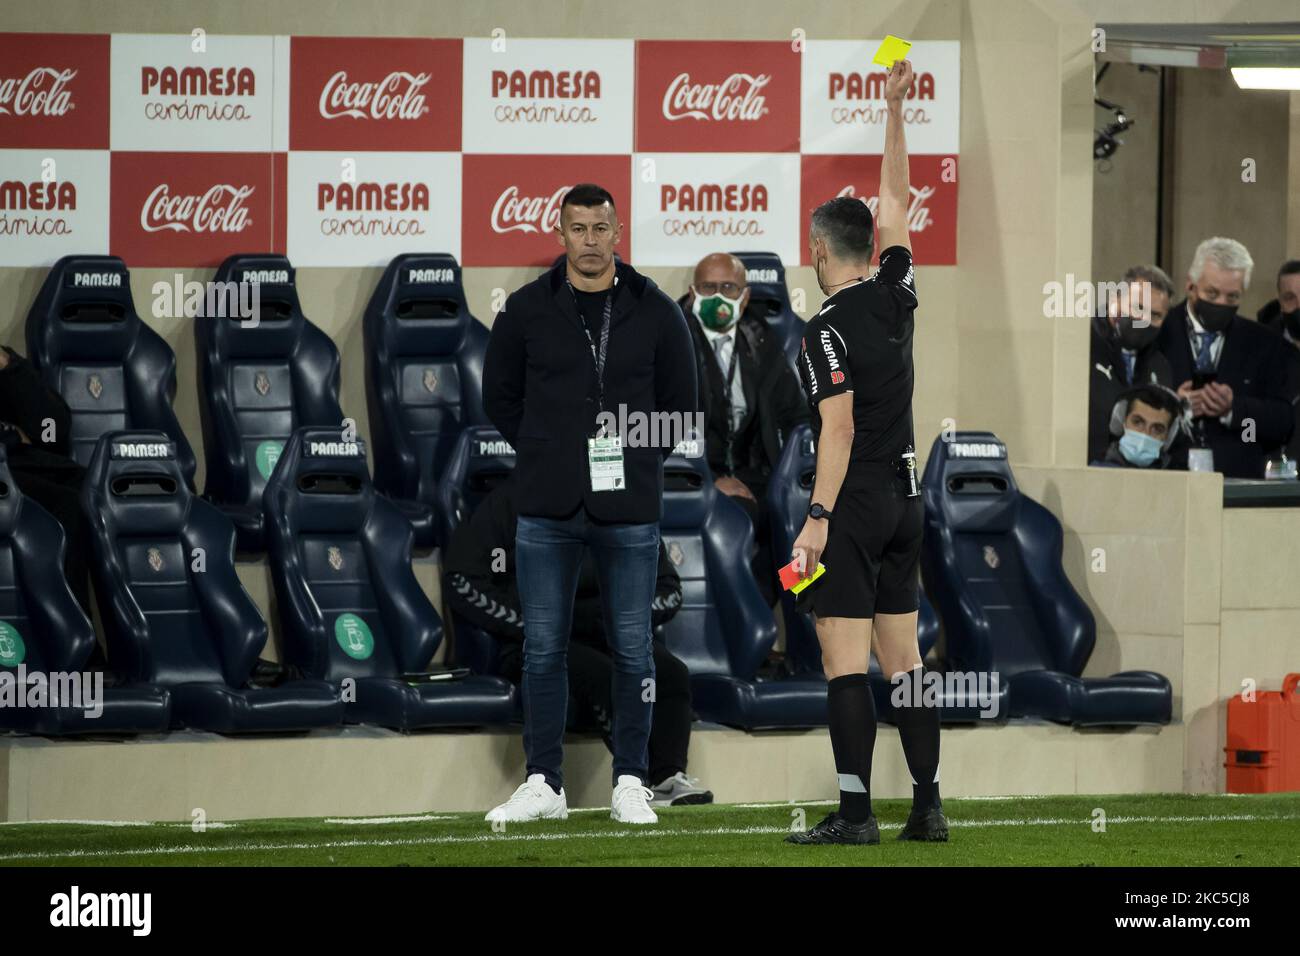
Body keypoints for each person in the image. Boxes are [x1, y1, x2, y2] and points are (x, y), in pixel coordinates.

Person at [480, 183, 697, 825]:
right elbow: (500, 398)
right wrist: (549, 452)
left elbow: (681, 411)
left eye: (602, 228)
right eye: (579, 229)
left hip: (628, 508)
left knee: (634, 648)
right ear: (561, 234)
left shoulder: (657, 310)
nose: (591, 241)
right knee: (541, 648)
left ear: (618, 231)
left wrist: (633, 460)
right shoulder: (524, 310)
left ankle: (631, 779)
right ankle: (544, 781)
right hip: (546, 506)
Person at [784, 59, 946, 847]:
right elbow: (898, 203)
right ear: (869, 248)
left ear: (818, 248)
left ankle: (854, 815)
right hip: (909, 501)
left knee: (843, 663)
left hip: (853, 507)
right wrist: (893, 109)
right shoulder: (897, 292)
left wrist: (816, 518)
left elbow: (836, 431)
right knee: (906, 662)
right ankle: (928, 808)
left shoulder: (821, 330)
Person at [442, 475, 712, 807]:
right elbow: (462, 579)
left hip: (609, 633)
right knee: (600, 675)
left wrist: (620, 619)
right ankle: (634, 779)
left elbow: (668, 590)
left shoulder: (621, 503)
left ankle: (667, 778)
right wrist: (530, 624)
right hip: (536, 640)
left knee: (670, 672)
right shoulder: (513, 500)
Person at [676, 252, 809, 603]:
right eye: (708, 287)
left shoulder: (759, 337)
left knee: (806, 525)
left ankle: (798, 612)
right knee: (746, 518)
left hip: (756, 473)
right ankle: (751, 618)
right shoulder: (671, 337)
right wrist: (709, 476)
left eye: (728, 288)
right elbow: (658, 424)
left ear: (745, 296)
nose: (718, 297)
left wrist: (803, 473)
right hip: (696, 475)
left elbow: (796, 414)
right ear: (692, 293)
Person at [1155, 237, 1292, 477]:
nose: (1221, 303)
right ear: (1190, 286)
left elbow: (1280, 425)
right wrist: (1176, 407)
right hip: (1168, 480)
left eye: (1232, 297)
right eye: (1212, 293)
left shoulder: (1264, 343)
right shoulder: (1157, 334)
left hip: (1238, 484)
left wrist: (1234, 410)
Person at [0, 345, 95, 628]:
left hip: (21, 464)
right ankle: (75, 641)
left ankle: (132, 640)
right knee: (66, 505)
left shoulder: (7, 367)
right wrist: (11, 434)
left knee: (95, 490)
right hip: (8, 469)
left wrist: (8, 366)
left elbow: (52, 430)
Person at [1087, 265, 1174, 464]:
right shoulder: (1082, 348)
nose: (1145, 320)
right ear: (1115, 299)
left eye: (1156, 315)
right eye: (1138, 308)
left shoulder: (1160, 367)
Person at [1256, 259, 1300, 461]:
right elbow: (1249, 417)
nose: (1299, 305)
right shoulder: (1260, 349)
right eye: (1290, 297)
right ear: (1280, 302)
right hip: (1275, 467)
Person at [1092, 384, 1182, 469]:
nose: (1145, 434)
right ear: (1123, 421)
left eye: (1157, 429)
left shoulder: (1179, 481)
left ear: (1168, 437)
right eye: (1137, 422)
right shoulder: (1093, 474)